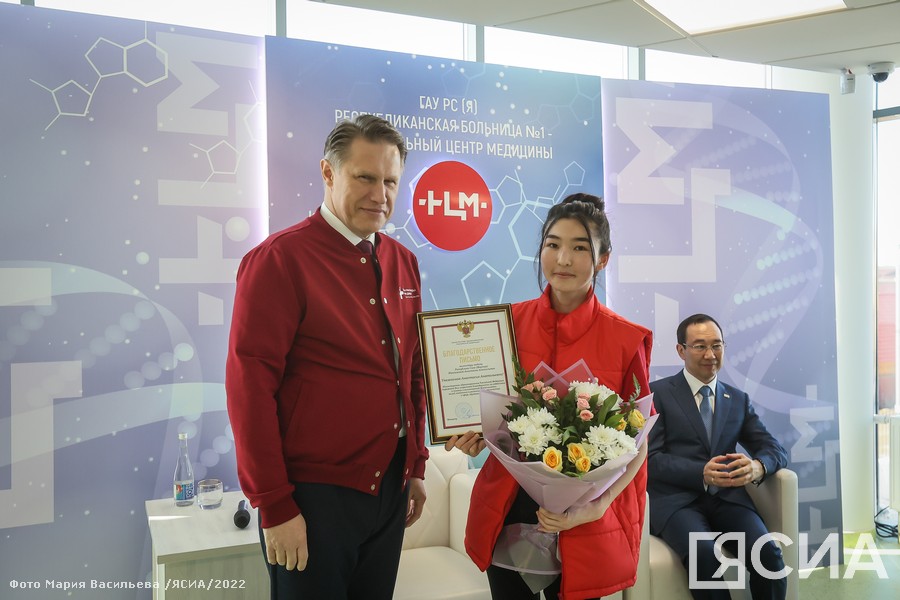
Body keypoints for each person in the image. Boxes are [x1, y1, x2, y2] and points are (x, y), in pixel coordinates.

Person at [225, 114, 428, 599]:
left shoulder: (403, 261)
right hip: (312, 499)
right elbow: (249, 391)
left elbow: (414, 374)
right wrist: (274, 504)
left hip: (390, 490)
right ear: (328, 172)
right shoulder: (280, 260)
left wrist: (416, 465)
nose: (380, 195)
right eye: (365, 177)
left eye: (390, 181)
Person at [447, 193, 653, 600]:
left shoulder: (625, 339)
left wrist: (598, 506)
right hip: (508, 507)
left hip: (585, 519)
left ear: (603, 259)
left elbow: (640, 440)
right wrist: (472, 432)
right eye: (553, 244)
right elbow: (490, 416)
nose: (563, 259)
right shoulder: (506, 323)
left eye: (580, 248)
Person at [648, 313, 788, 600]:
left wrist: (758, 467)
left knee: (768, 554)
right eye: (700, 346)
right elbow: (651, 460)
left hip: (729, 500)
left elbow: (774, 449)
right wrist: (701, 472)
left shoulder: (737, 399)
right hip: (677, 502)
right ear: (681, 350)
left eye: (717, 345)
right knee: (703, 554)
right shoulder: (657, 394)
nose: (710, 355)